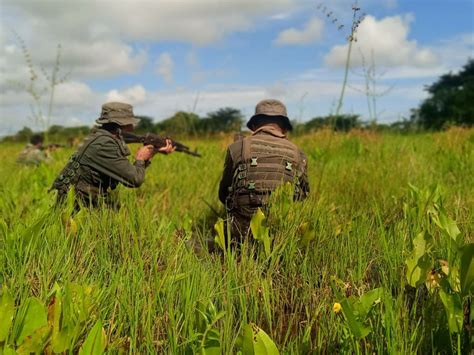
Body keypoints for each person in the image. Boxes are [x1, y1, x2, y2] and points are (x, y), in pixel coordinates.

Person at [218, 99, 310, 243]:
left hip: (240, 233)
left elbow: (223, 193)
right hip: (282, 234)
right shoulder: (298, 154)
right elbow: (302, 196)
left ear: (254, 126)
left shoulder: (237, 147)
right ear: (285, 128)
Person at [51, 102, 174, 208]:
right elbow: (134, 180)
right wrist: (141, 158)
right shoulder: (105, 144)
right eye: (129, 124)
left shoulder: (99, 137)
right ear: (119, 126)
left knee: (114, 210)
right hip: (76, 205)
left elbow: (122, 170)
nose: (132, 128)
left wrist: (153, 151)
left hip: (80, 199)